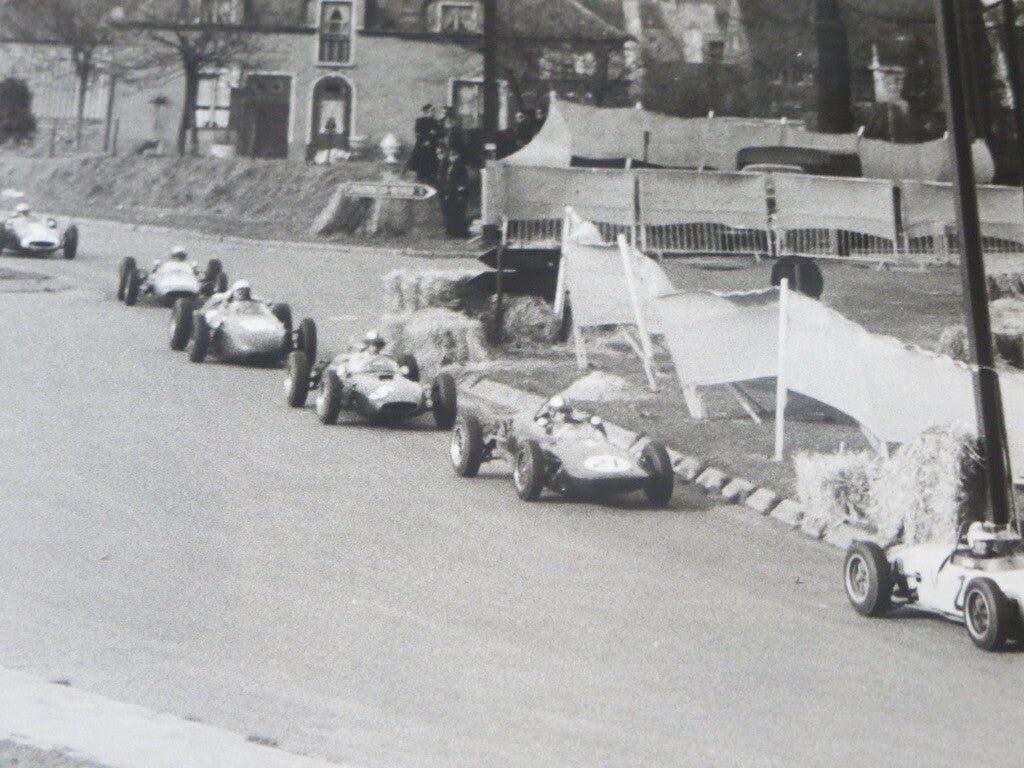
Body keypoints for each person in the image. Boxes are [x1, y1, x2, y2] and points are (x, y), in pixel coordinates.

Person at [439, 147, 470, 238]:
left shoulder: (460, 166)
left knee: (457, 212)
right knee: (451, 212)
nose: (451, 157)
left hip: (456, 192)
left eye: (453, 155)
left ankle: (459, 232)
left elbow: (463, 180)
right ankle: (452, 231)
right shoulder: (449, 166)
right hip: (450, 191)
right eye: (450, 155)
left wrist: (460, 190)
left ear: (457, 156)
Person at [407, 104, 440, 184]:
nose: (433, 112)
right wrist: (425, 139)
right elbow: (417, 133)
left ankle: (430, 181)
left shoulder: (435, 122)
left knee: (432, 166)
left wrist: (431, 138)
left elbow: (438, 134)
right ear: (426, 112)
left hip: (432, 146)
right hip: (422, 146)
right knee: (421, 165)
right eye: (432, 110)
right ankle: (420, 180)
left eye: (434, 110)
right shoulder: (420, 121)